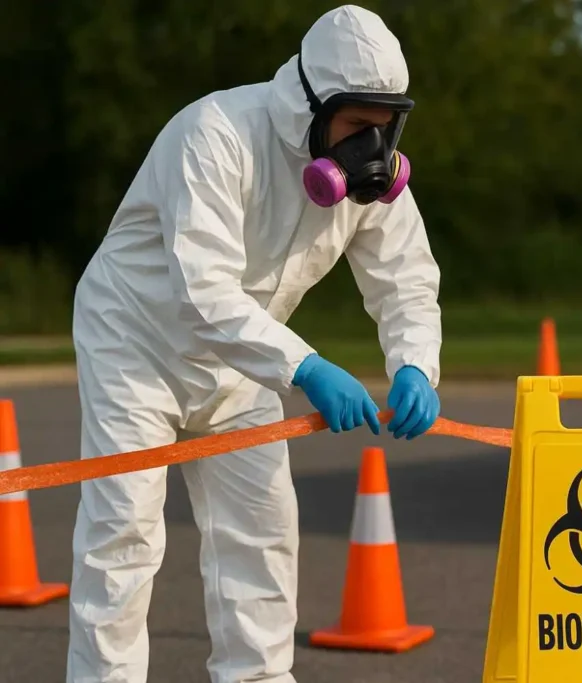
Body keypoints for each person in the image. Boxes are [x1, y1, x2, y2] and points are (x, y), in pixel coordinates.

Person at [65, 5, 441, 682]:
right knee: (123, 531)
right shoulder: (214, 135)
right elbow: (202, 291)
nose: (373, 149)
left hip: (244, 362)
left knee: (261, 530)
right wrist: (307, 365)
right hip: (135, 342)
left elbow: (406, 281)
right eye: (358, 127)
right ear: (311, 106)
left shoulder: (368, 185)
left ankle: (258, 676)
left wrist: (415, 362)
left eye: (385, 128)